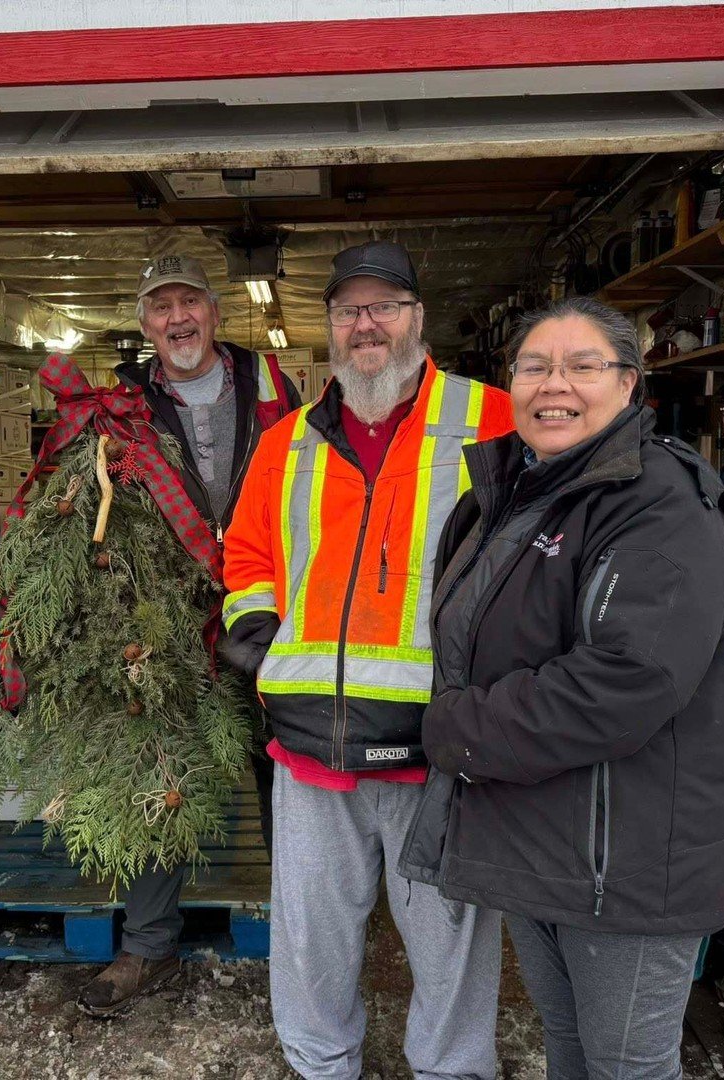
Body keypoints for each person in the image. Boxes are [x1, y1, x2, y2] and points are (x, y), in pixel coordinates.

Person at [399, 296, 724, 1080]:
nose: (554, 384)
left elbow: (625, 680)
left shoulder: (661, 503)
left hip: (623, 860)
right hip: (540, 843)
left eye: (583, 366)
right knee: (571, 1048)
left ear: (629, 384)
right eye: (534, 366)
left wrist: (455, 732)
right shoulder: (512, 491)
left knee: (625, 1066)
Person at [221, 241, 514, 1079]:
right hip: (311, 742)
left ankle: (453, 1070)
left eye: (384, 306)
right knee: (311, 937)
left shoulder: (493, 419)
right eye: (349, 309)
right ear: (330, 327)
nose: (366, 324)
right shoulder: (286, 442)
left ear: (418, 318)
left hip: (439, 744)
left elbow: (537, 553)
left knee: (450, 936)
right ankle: (321, 1065)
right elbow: (247, 553)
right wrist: (261, 637)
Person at [74, 253, 301, 1018]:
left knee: (288, 771)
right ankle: (149, 944)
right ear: (145, 323)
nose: (178, 318)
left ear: (215, 311)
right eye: (161, 306)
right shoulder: (122, 403)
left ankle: (305, 937)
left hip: (266, 610)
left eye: (190, 302)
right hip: (166, 623)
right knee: (160, 771)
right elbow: (94, 511)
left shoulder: (273, 387)